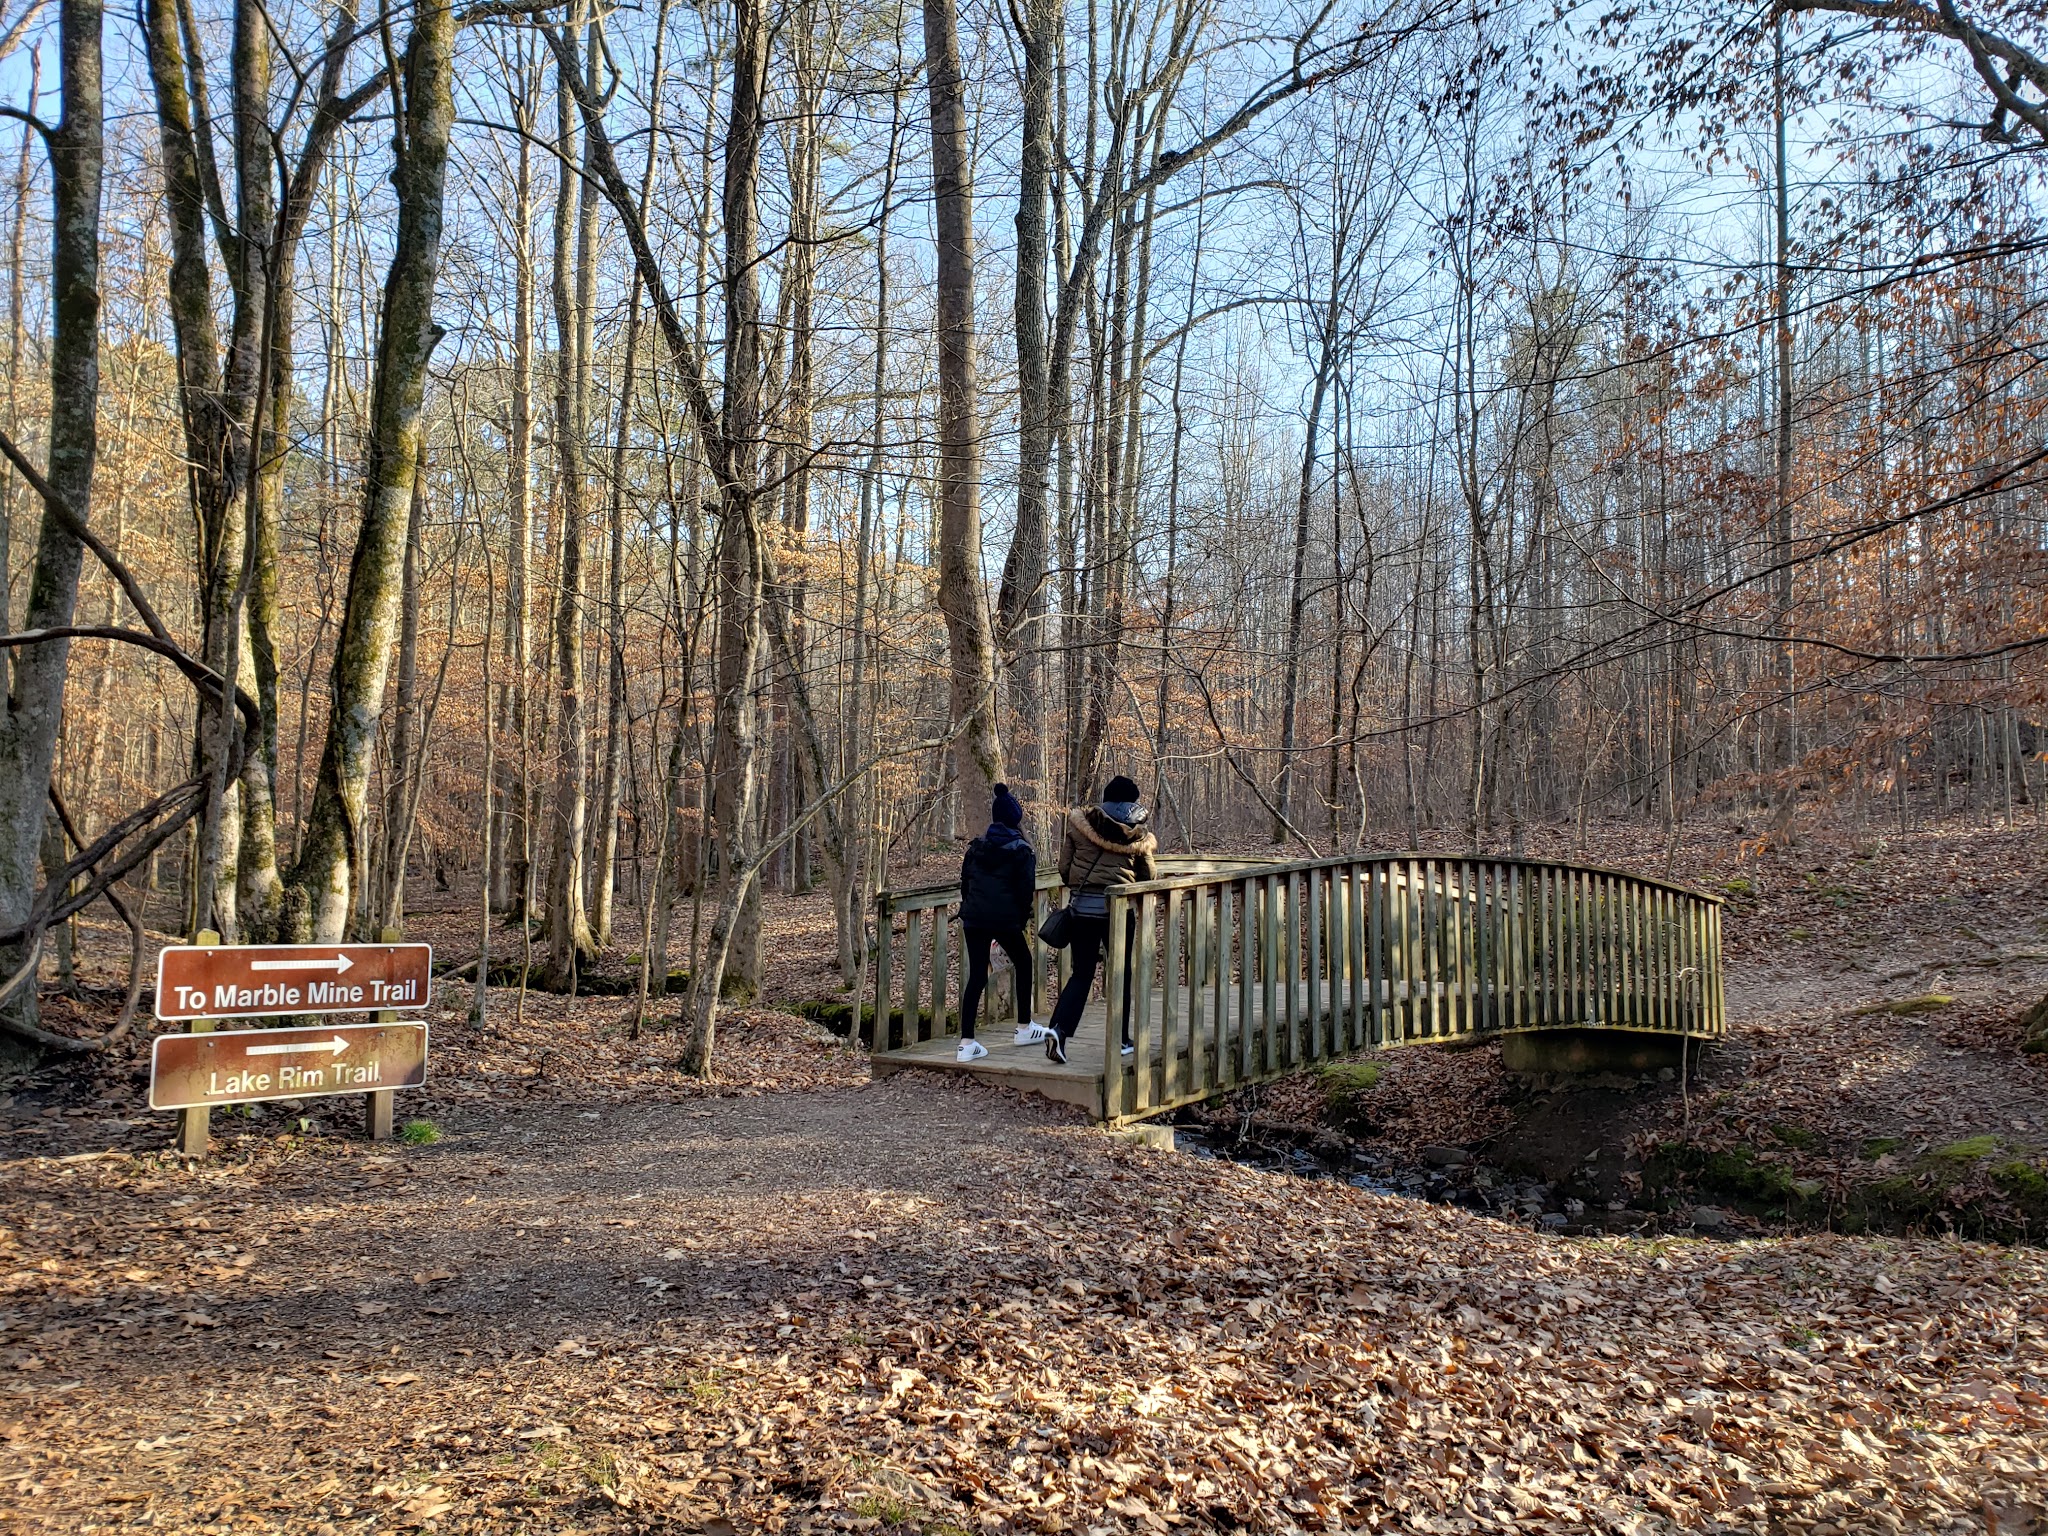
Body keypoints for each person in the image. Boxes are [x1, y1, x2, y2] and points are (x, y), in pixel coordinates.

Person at [1045, 775, 1157, 1065]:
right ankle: (1120, 1039)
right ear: (1132, 802)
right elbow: (1148, 878)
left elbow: (1065, 869)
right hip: (1118, 913)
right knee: (1121, 974)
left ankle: (1059, 1030)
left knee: (1082, 974)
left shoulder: (1081, 825)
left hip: (1082, 909)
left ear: (1106, 797)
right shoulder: (1138, 833)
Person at [954, 783, 1045, 1062]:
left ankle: (966, 1043)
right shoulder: (1022, 851)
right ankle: (1024, 1027)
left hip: (974, 918)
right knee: (1024, 961)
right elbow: (1025, 891)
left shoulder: (976, 848)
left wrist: (971, 909)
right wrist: (1018, 921)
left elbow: (965, 885)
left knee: (978, 975)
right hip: (1004, 919)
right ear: (1016, 820)